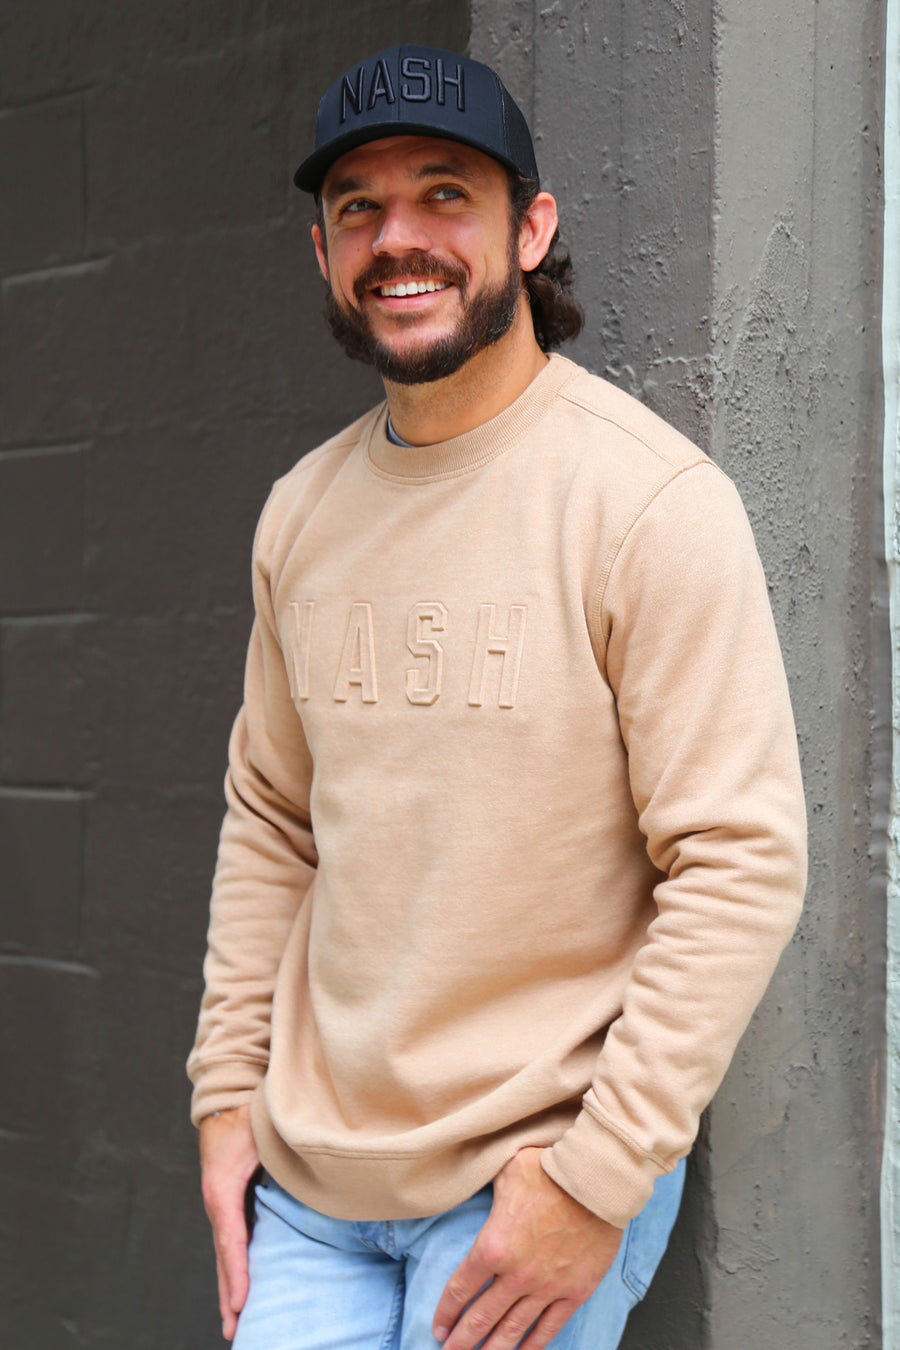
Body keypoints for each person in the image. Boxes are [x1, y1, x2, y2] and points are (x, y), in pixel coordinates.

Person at [187, 43, 807, 1350]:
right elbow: (272, 823)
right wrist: (225, 1094)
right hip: (309, 1193)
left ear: (530, 230)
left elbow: (739, 861)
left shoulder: (649, 503)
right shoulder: (300, 514)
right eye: (358, 207)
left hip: (528, 1181)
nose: (397, 239)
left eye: (443, 194)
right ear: (322, 253)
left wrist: (596, 1178)